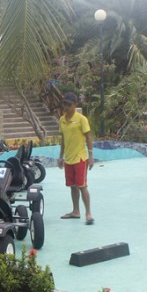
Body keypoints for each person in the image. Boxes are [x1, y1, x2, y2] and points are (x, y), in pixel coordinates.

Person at [57, 92, 94, 225]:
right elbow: (63, 139)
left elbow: (88, 137)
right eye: (65, 104)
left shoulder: (81, 119)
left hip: (80, 158)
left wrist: (91, 156)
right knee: (72, 186)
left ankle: (88, 213)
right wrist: (61, 157)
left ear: (75, 104)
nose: (66, 106)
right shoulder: (62, 120)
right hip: (68, 158)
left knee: (82, 186)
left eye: (69, 104)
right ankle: (75, 211)